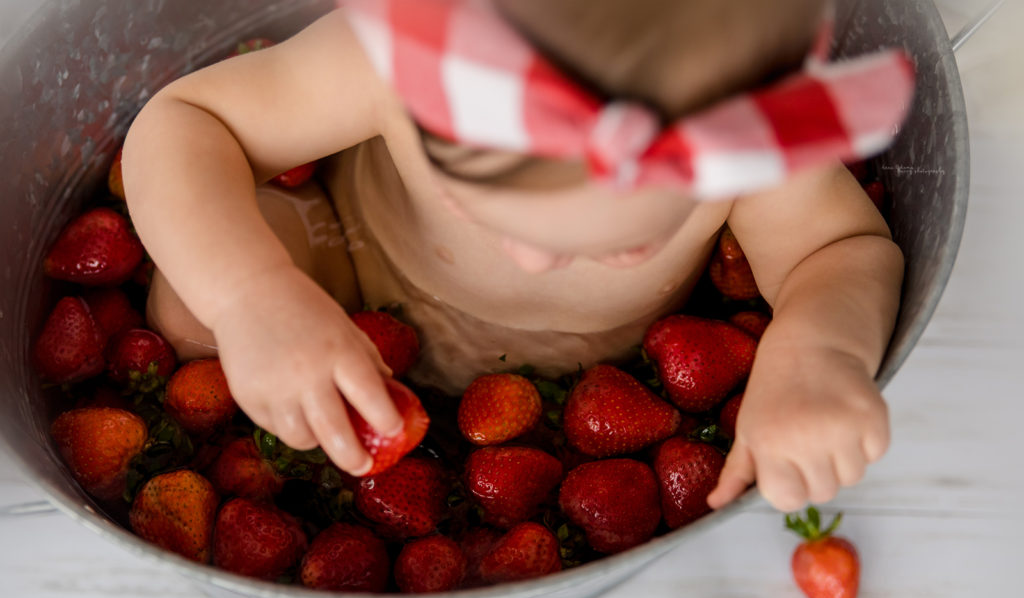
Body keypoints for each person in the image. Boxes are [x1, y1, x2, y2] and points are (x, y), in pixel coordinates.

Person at [121, 0, 913, 513]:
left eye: (625, 242)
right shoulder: (399, 52)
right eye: (482, 207)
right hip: (344, 254)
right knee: (190, 312)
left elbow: (839, 248)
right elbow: (185, 122)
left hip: (600, 391)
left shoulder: (744, 129)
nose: (535, 261)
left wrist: (816, 352)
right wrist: (252, 296)